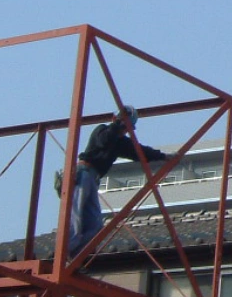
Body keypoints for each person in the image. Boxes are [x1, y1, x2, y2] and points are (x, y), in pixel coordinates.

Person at [67, 105, 170, 261]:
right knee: (75, 215)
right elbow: (103, 141)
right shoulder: (102, 130)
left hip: (93, 178)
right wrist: (117, 126)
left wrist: (162, 156)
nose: (126, 130)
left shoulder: (121, 142)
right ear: (116, 121)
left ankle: (77, 256)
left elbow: (139, 151)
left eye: (128, 127)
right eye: (125, 126)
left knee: (95, 225)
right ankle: (67, 250)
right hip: (83, 173)